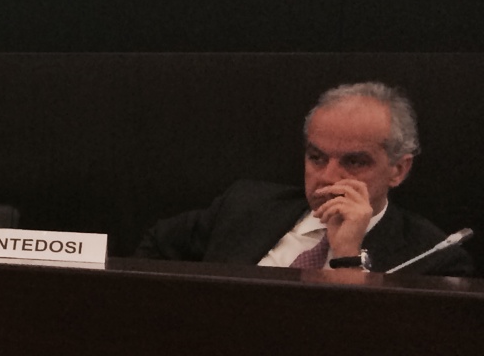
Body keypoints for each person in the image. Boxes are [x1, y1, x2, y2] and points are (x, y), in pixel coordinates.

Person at [135, 82, 473, 275]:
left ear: (398, 170)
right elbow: (154, 249)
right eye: (317, 158)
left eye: (355, 162)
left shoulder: (433, 258)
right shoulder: (245, 204)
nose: (328, 176)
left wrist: (347, 255)